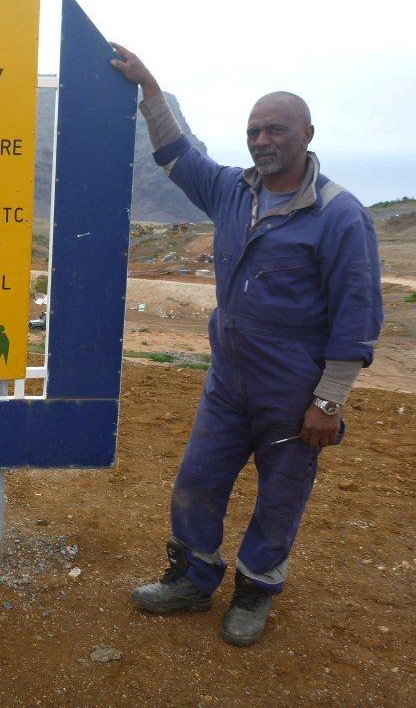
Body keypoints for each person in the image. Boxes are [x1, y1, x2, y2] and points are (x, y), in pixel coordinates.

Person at [109, 44, 383, 646]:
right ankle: (192, 577)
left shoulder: (340, 216)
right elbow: (178, 155)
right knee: (197, 479)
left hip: (294, 393)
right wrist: (150, 87)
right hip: (228, 383)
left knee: (280, 497)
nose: (263, 140)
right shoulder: (233, 191)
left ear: (307, 134)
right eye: (254, 130)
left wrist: (329, 402)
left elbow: (357, 315)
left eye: (276, 129)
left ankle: (256, 589)